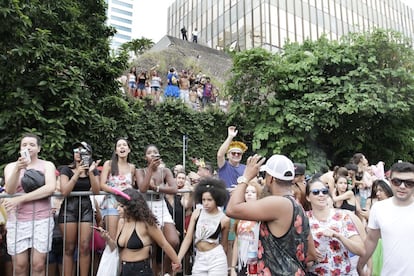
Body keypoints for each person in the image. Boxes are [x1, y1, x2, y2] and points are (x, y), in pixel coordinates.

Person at [226, 154, 317, 275]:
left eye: (266, 176)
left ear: (271, 179)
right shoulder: (298, 206)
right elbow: (311, 254)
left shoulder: (277, 203)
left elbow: (232, 209)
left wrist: (245, 177)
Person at [3, 133, 57, 276]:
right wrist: (18, 169)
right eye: (24, 144)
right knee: (20, 265)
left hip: (42, 218)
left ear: (39, 148)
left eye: (32, 144)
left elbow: (50, 187)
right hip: (17, 220)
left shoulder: (47, 165)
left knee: (38, 264)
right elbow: (9, 190)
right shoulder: (11, 167)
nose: (28, 147)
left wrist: (20, 199)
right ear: (20, 148)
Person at [99, 188, 181, 275]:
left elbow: (164, 244)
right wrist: (107, 239)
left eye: (122, 206)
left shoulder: (146, 224)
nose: (118, 209)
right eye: (117, 205)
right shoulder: (121, 221)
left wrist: (177, 262)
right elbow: (116, 248)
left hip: (141, 270)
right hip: (123, 270)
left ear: (132, 206)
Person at [357, 161, 414, 275]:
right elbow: (371, 240)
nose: (402, 186)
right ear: (389, 182)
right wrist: (360, 265)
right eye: (397, 181)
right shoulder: (378, 208)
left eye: (409, 183)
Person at [305, 178, 365, 275]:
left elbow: (361, 250)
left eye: (324, 191)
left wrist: (339, 236)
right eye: (316, 192)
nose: (321, 195)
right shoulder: (304, 219)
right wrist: (310, 254)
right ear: (308, 197)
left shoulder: (342, 216)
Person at [58, 142, 101, 276]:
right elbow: (65, 191)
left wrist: (91, 173)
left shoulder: (92, 170)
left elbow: (96, 191)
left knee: (84, 247)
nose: (78, 152)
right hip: (69, 208)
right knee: (69, 248)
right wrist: (77, 173)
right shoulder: (66, 169)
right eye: (76, 149)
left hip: (86, 208)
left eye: (83, 151)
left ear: (89, 154)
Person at [136, 144, 179, 275]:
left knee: (173, 241)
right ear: (145, 157)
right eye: (150, 153)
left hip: (161, 204)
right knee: (152, 246)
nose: (153, 154)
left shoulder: (165, 171)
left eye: (155, 152)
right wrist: (150, 169)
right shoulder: (140, 171)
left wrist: (157, 188)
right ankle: (153, 272)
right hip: (147, 206)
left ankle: (165, 272)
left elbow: (174, 188)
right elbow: (142, 188)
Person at [177, 177, 230, 275]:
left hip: (216, 258)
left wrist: (229, 267)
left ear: (217, 199)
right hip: (199, 257)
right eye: (203, 199)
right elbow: (188, 238)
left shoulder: (224, 219)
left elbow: (224, 245)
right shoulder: (197, 213)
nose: (206, 203)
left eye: (209, 200)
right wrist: (178, 258)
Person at [100, 138, 137, 241]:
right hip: (112, 203)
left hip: (127, 206)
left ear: (129, 149)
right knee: (112, 239)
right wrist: (117, 192)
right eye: (119, 145)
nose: (122, 147)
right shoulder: (109, 164)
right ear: (116, 150)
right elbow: (102, 184)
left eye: (124, 145)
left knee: (126, 238)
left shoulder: (132, 167)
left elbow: (133, 186)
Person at [230, 180, 262, 276]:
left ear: (258, 195)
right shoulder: (240, 215)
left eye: (253, 192)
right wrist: (232, 267)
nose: (249, 194)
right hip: (242, 262)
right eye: (247, 192)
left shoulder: (262, 215)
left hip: (256, 262)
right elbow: (236, 242)